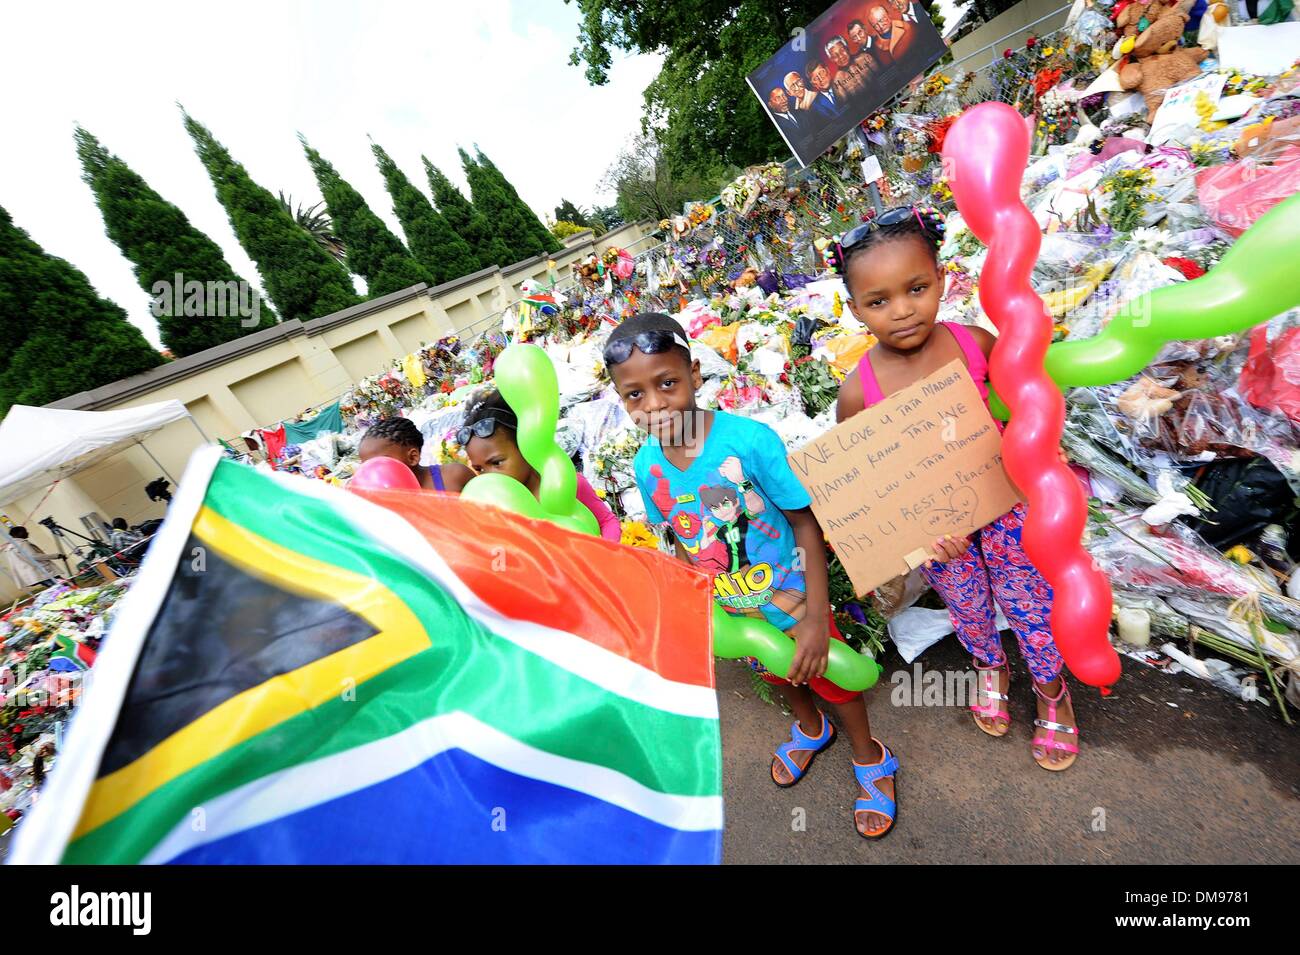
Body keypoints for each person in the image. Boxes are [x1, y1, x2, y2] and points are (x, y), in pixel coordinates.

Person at [604, 313, 899, 838]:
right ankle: (810, 730)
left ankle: (870, 755)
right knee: (778, 673)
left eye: (666, 383)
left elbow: (804, 522)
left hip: (790, 596)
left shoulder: (750, 441)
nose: (653, 405)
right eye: (634, 395)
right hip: (736, 608)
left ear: (694, 372)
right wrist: (702, 604)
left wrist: (814, 616)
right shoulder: (647, 466)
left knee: (829, 675)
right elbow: (675, 537)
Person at [833, 207, 1078, 772]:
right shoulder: (857, 392)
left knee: (1028, 601)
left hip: (1008, 506)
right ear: (854, 310)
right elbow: (867, 481)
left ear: (942, 279)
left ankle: (1050, 688)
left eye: (917, 288)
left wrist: (1040, 448)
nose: (902, 311)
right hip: (938, 530)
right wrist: (905, 538)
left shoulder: (976, 345)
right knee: (967, 606)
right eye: (878, 301)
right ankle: (989, 666)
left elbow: (1023, 409)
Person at [458, 388, 622, 542]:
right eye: (479, 469)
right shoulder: (496, 511)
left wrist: (606, 556)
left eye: (496, 462)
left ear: (525, 447)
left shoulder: (566, 485)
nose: (489, 477)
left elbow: (607, 521)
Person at [358, 416, 475, 493]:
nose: (371, 473)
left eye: (379, 464)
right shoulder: (385, 502)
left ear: (412, 457)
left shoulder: (453, 476)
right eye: (365, 467)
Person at [4, 526, 60, 591]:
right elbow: (34, 556)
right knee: (62, 588)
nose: (27, 533)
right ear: (19, 533)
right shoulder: (21, 543)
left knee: (57, 590)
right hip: (42, 573)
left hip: (32, 575)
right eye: (25, 531)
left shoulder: (9, 548)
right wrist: (56, 556)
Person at [825, 35, 869, 102]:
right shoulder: (837, 82)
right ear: (831, 59)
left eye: (842, 50)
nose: (840, 56)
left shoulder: (865, 58)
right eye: (835, 55)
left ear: (847, 47)